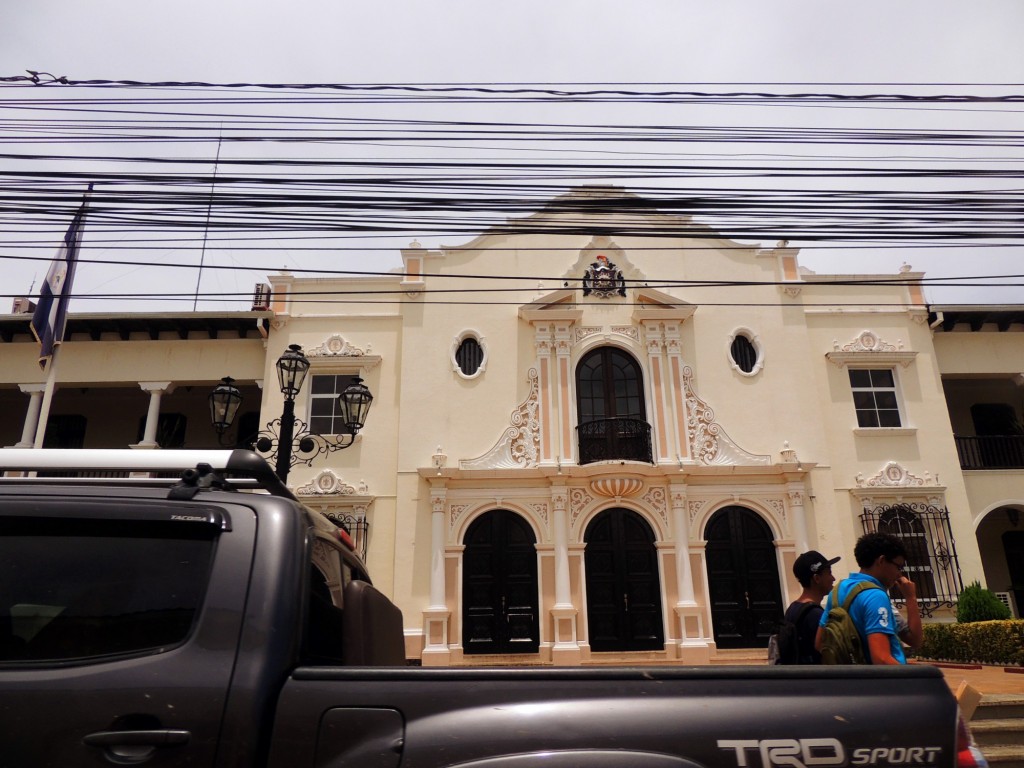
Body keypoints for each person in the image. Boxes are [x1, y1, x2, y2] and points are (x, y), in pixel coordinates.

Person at [815, 532, 923, 664]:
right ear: (881, 561)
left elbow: (820, 643)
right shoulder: (875, 596)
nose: (899, 573)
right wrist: (911, 597)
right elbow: (881, 658)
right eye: (898, 567)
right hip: (886, 682)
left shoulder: (838, 591)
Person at [785, 550, 840, 664]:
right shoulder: (816, 615)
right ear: (817, 578)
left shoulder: (792, 609)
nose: (833, 578)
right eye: (829, 573)